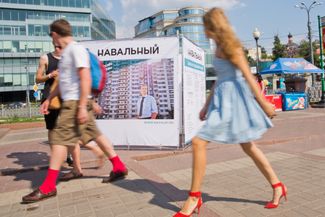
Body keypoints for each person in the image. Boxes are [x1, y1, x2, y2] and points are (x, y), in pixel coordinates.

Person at [173, 8, 286, 217]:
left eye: (204, 26)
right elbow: (219, 79)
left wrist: (264, 103)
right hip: (221, 100)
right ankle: (278, 186)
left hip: (234, 102)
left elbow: (247, 75)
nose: (203, 30)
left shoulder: (230, 46)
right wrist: (206, 105)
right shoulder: (217, 46)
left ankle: (194, 197)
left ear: (211, 26)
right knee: (249, 147)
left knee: (199, 142)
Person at [22, 19, 128, 203]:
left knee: (59, 141)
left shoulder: (76, 49)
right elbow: (63, 82)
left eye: (50, 35)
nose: (51, 39)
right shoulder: (67, 53)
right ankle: (119, 167)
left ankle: (48, 187)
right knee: (97, 135)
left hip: (75, 104)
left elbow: (85, 78)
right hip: (77, 103)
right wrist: (48, 99)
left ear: (55, 34)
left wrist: (80, 106)